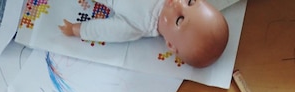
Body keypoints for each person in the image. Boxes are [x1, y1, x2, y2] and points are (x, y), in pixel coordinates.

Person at [58, 0, 229, 68]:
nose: (178, 3)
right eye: (190, 1)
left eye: (179, 19)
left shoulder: (138, 24)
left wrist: (78, 29)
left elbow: (106, 30)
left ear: (170, 44)